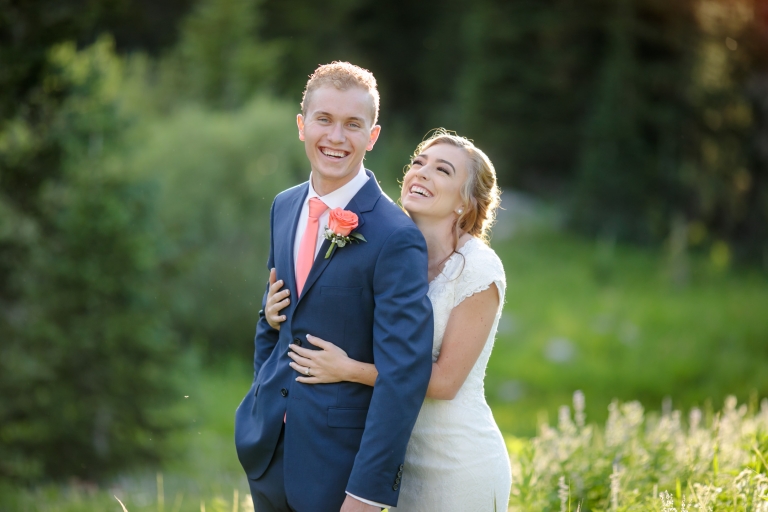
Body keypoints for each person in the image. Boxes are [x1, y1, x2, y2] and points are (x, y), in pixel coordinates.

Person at [266, 129, 513, 510]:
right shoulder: (388, 246)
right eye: (418, 163)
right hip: (390, 457)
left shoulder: (479, 270)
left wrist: (351, 370)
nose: (422, 173)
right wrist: (275, 311)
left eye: (442, 170)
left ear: (465, 203)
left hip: (455, 462)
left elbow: (446, 382)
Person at [234, 62, 434, 512]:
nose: (336, 137)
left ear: (373, 135)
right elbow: (275, 314)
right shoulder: (284, 206)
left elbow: (403, 376)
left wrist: (365, 494)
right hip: (267, 452)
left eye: (352, 125)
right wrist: (259, 402)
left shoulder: (395, 236)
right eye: (324, 120)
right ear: (302, 125)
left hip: (338, 471)